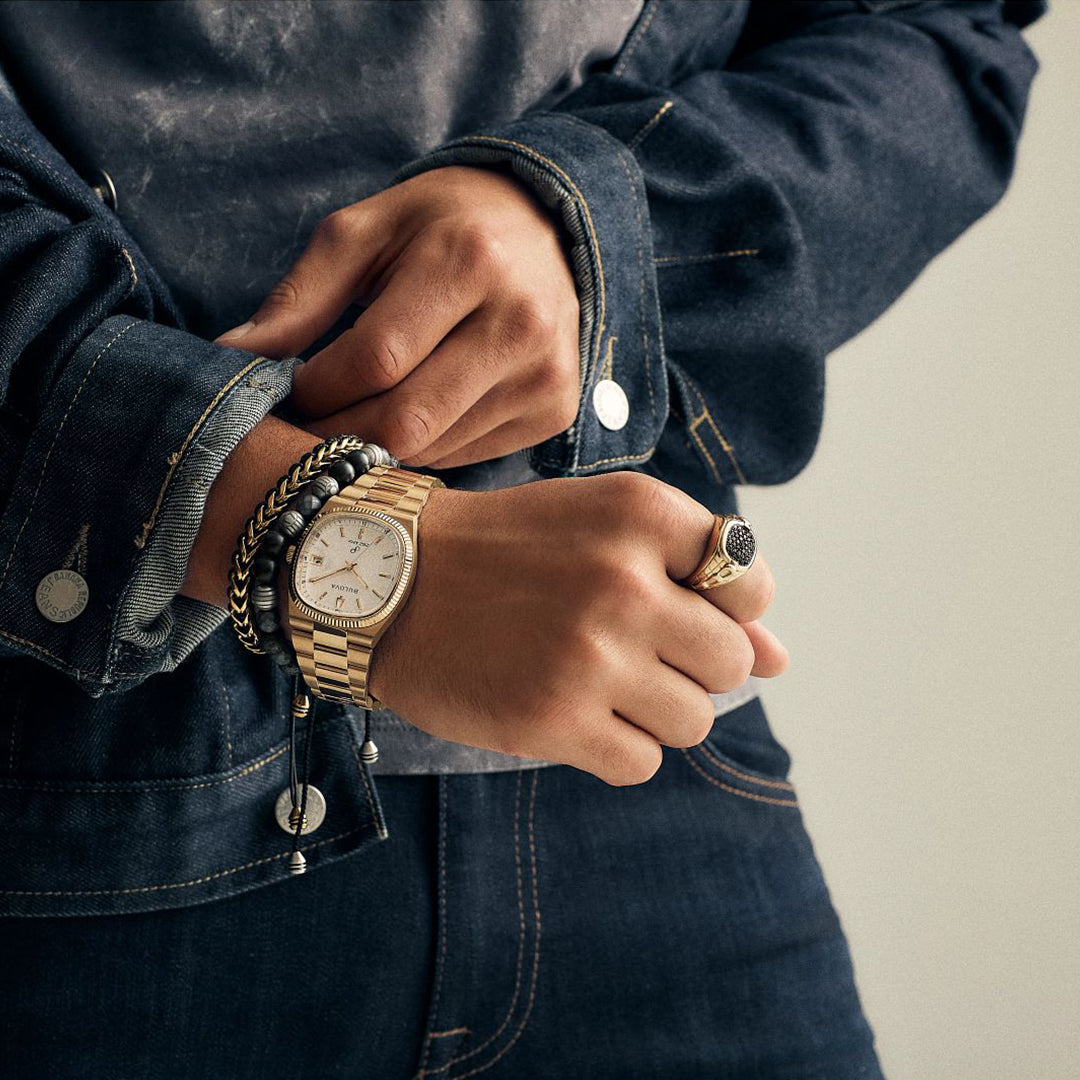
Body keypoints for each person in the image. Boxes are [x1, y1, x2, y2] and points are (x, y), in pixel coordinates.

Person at [0, 2, 1043, 1077]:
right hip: (77, 805)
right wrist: (321, 539)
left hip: (636, 748)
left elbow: (936, 37)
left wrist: (590, 224)